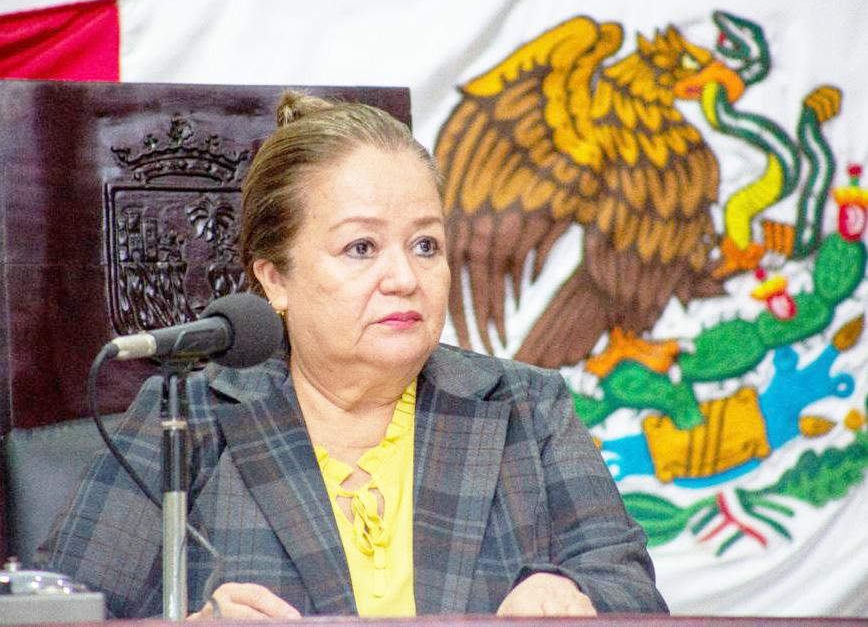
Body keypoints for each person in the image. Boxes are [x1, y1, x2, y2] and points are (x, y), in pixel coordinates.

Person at [38, 92, 668, 619]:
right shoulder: (189, 417)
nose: (405, 278)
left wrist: (574, 595)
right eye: (361, 248)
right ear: (275, 280)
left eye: (426, 245)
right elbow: (55, 613)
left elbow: (634, 592)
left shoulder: (526, 407)